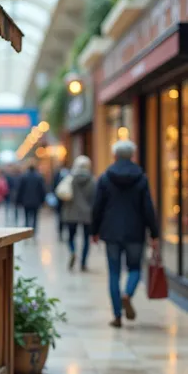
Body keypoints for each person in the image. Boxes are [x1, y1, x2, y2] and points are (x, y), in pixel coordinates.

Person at [92, 140, 159, 328]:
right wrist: (154, 233)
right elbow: (148, 208)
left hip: (111, 232)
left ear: (115, 156)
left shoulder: (105, 177)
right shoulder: (141, 178)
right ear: (132, 156)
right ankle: (127, 294)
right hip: (135, 232)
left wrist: (94, 231)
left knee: (113, 272)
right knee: (135, 268)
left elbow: (98, 207)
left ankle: (117, 315)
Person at [61, 155, 96, 272]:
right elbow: (95, 198)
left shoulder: (70, 178)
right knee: (86, 239)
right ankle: (83, 263)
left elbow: (63, 194)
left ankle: (72, 251)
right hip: (87, 214)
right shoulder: (92, 180)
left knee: (71, 237)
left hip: (71, 213)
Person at [16, 159, 46, 232]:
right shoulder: (39, 177)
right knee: (35, 217)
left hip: (26, 200)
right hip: (36, 201)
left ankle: (27, 230)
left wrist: (18, 200)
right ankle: (34, 231)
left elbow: (20, 189)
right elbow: (42, 190)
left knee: (26, 216)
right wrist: (43, 200)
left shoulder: (24, 176)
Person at [53, 162, 70, 240]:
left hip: (65, 200)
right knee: (62, 217)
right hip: (63, 201)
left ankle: (62, 232)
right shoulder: (69, 175)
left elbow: (53, 186)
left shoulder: (68, 175)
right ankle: (61, 232)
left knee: (62, 217)